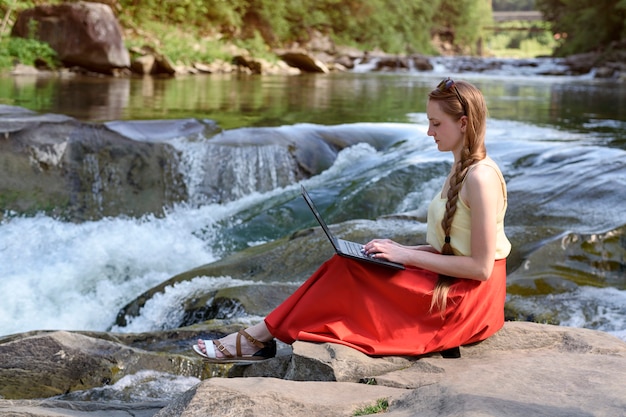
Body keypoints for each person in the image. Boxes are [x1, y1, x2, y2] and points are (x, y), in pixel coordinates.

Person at [192, 77, 511, 362]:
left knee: (348, 270)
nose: (429, 132)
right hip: (453, 287)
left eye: (436, 124)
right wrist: (399, 248)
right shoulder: (460, 170)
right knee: (350, 263)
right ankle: (260, 336)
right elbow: (453, 249)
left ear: (464, 123)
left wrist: (407, 256)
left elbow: (480, 268)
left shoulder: (480, 178)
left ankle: (256, 338)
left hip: (467, 302)